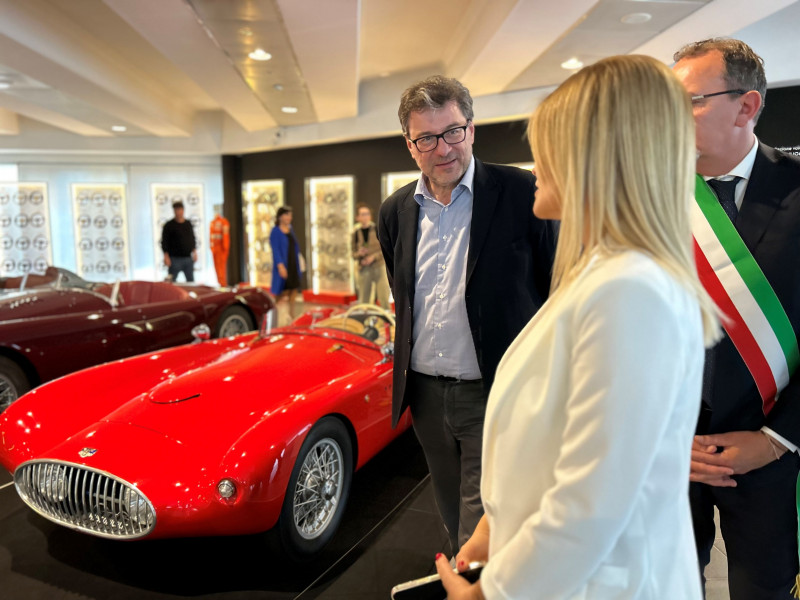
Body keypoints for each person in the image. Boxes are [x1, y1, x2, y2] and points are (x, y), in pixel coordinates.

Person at [434, 54, 721, 599]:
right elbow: (561, 442)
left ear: (595, 158)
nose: (535, 165)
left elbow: (593, 500)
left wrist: (493, 592)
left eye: (549, 146)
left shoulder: (632, 290)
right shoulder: (604, 275)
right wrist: (494, 529)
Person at [377, 75, 555, 557]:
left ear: (471, 129)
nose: (443, 149)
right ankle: (468, 576)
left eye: (453, 131)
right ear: (409, 145)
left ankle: (473, 581)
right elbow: (403, 296)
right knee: (449, 506)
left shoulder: (523, 192)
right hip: (426, 395)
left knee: (484, 516)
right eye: (427, 138)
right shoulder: (395, 211)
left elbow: (556, 288)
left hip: (494, 389)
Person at [673, 38, 800, 599]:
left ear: (747, 106)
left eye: (690, 102)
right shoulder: (652, 199)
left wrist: (775, 439)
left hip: (770, 449)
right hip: (672, 450)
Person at [352, 203, 390, 308]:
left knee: (384, 297)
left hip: (379, 266)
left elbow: (385, 249)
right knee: (364, 300)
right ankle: (366, 317)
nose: (365, 217)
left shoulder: (377, 229)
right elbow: (353, 253)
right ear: (357, 217)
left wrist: (373, 257)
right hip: (364, 268)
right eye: (363, 214)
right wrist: (359, 254)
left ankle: (386, 317)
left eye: (367, 214)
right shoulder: (355, 232)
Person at [269, 206, 302, 322]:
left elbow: (295, 246)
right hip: (283, 264)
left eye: (290, 215)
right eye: (287, 215)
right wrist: (280, 265)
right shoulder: (275, 231)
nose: (289, 217)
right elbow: (275, 250)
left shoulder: (290, 229)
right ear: (280, 216)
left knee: (293, 288)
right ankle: (272, 311)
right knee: (282, 290)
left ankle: (291, 314)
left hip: (293, 263)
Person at [161, 201, 196, 282]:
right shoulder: (169, 225)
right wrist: (166, 256)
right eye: (176, 210)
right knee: (171, 281)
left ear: (183, 210)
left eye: (180, 209)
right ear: (174, 211)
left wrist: (194, 252)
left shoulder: (188, 224)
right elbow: (164, 242)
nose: (178, 212)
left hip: (187, 258)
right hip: (174, 259)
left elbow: (192, 238)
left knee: (190, 281)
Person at [209, 206, 230, 286]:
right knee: (217, 268)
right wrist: (212, 247)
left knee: (221, 267)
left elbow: (225, 235)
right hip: (216, 249)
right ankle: (220, 283)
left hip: (221, 249)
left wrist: (225, 247)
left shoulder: (223, 222)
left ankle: (222, 283)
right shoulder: (213, 223)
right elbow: (211, 236)